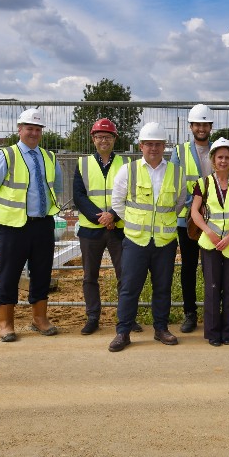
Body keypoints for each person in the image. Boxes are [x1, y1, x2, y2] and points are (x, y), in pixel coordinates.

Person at [0, 108, 63, 342]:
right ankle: (6, 323)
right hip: (13, 226)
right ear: (19, 129)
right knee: (9, 273)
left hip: (43, 223)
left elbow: (56, 187)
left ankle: (39, 319)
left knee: (42, 272)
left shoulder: (49, 157)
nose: (34, 133)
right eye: (29, 128)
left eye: (38, 129)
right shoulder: (6, 155)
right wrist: (3, 209)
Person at [108, 122, 187, 352]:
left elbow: (179, 203)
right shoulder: (128, 170)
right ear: (141, 146)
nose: (154, 148)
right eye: (149, 144)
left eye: (158, 144)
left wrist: (160, 224)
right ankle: (123, 332)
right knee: (129, 287)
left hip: (164, 241)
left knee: (162, 287)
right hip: (135, 240)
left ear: (165, 146)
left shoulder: (176, 172)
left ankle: (161, 329)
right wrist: (136, 223)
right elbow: (117, 203)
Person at [73, 118, 136, 335]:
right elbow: (79, 196)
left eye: (107, 137)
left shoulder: (126, 164)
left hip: (119, 228)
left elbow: (130, 194)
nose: (103, 140)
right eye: (99, 136)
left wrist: (114, 216)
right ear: (93, 139)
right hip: (91, 229)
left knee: (125, 275)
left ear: (114, 139)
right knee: (90, 276)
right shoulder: (83, 164)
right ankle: (93, 317)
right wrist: (99, 217)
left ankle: (126, 317)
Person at [192, 138, 229, 346]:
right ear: (213, 160)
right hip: (210, 243)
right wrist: (209, 233)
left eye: (227, 157)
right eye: (220, 157)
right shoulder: (203, 183)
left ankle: (228, 332)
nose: (223, 161)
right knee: (213, 287)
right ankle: (213, 332)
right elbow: (194, 212)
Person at [171, 103, 214, 334]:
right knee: (188, 267)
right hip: (186, 221)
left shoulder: (218, 149)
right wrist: (193, 209)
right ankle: (190, 313)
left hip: (213, 220)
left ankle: (210, 313)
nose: (201, 128)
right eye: (197, 124)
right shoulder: (179, 152)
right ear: (191, 126)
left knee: (211, 269)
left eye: (205, 124)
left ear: (211, 127)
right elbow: (176, 184)